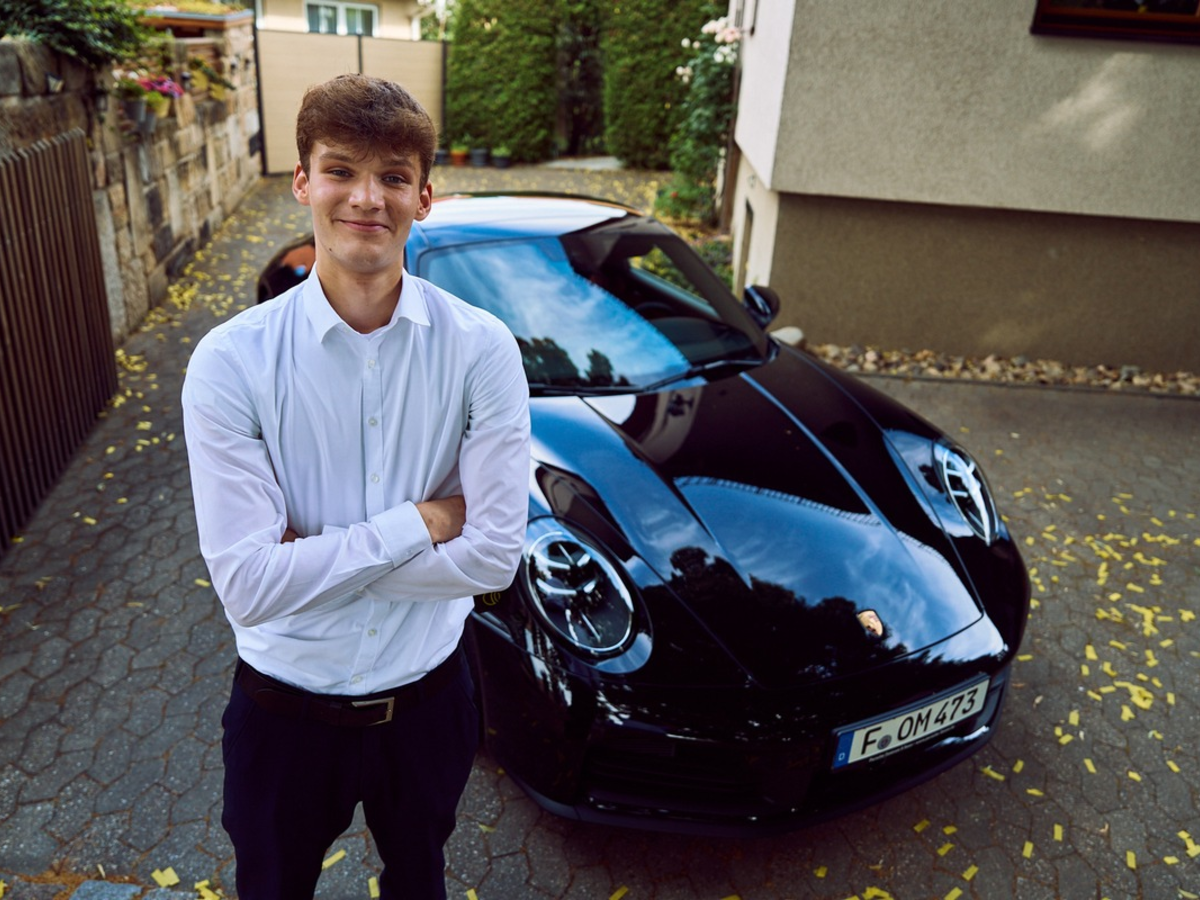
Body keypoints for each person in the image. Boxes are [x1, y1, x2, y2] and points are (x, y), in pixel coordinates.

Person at [181, 74, 531, 900]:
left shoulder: (482, 349)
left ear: (424, 197)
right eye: (341, 170)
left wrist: (306, 563)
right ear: (303, 182)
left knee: (420, 882)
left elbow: (494, 560)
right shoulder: (230, 362)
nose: (367, 197)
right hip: (283, 717)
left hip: (429, 706)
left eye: (394, 177)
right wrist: (423, 520)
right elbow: (247, 587)